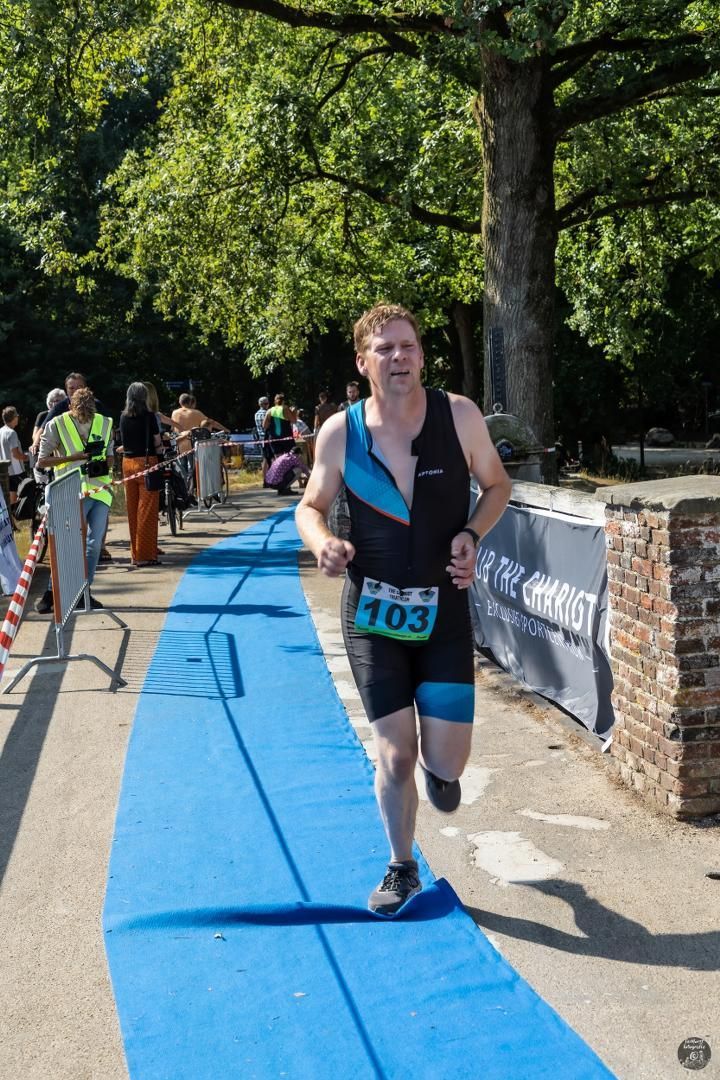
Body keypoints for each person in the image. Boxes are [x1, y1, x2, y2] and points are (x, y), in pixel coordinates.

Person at [295, 303, 511, 916]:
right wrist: (322, 544)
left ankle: (443, 773)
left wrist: (471, 533)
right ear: (363, 363)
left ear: (421, 354)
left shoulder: (459, 415)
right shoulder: (340, 432)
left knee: (445, 761)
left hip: (442, 614)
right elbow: (309, 508)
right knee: (396, 752)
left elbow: (497, 485)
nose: (399, 357)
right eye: (384, 349)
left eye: (408, 346)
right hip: (373, 617)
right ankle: (402, 867)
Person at [35, 388, 114, 612]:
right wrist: (74, 458)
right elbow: (41, 461)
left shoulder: (104, 422)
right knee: (67, 544)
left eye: (87, 414)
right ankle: (52, 592)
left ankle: (83, 591)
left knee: (94, 545)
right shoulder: (56, 424)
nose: (84, 418)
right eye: (80, 414)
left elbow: (110, 457)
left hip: (99, 490)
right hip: (71, 490)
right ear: (70, 407)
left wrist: (105, 460)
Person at [119, 382, 164, 567]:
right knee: (147, 510)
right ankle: (145, 555)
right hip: (147, 463)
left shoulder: (123, 417)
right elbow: (157, 442)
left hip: (127, 464)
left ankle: (135, 553)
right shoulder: (149, 417)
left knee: (132, 509)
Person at [0, 407, 28, 508]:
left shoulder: (1, 431)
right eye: (17, 415)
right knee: (22, 497)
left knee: (9, 498)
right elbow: (15, 454)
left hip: (5, 470)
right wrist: (26, 457)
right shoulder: (11, 433)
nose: (18, 417)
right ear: (14, 418)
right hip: (16, 471)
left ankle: (13, 519)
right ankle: (19, 518)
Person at [263, 393, 296, 460]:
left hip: (274, 438)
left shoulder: (270, 410)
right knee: (290, 458)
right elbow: (294, 421)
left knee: (278, 460)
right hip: (286, 437)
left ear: (275, 401)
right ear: (283, 401)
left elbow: (264, 425)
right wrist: (294, 412)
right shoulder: (285, 409)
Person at [254, 396, 271, 480]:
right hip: (267, 437)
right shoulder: (267, 413)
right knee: (268, 459)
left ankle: (265, 478)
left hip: (260, 438)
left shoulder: (256, 414)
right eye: (267, 403)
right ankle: (268, 478)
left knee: (264, 458)